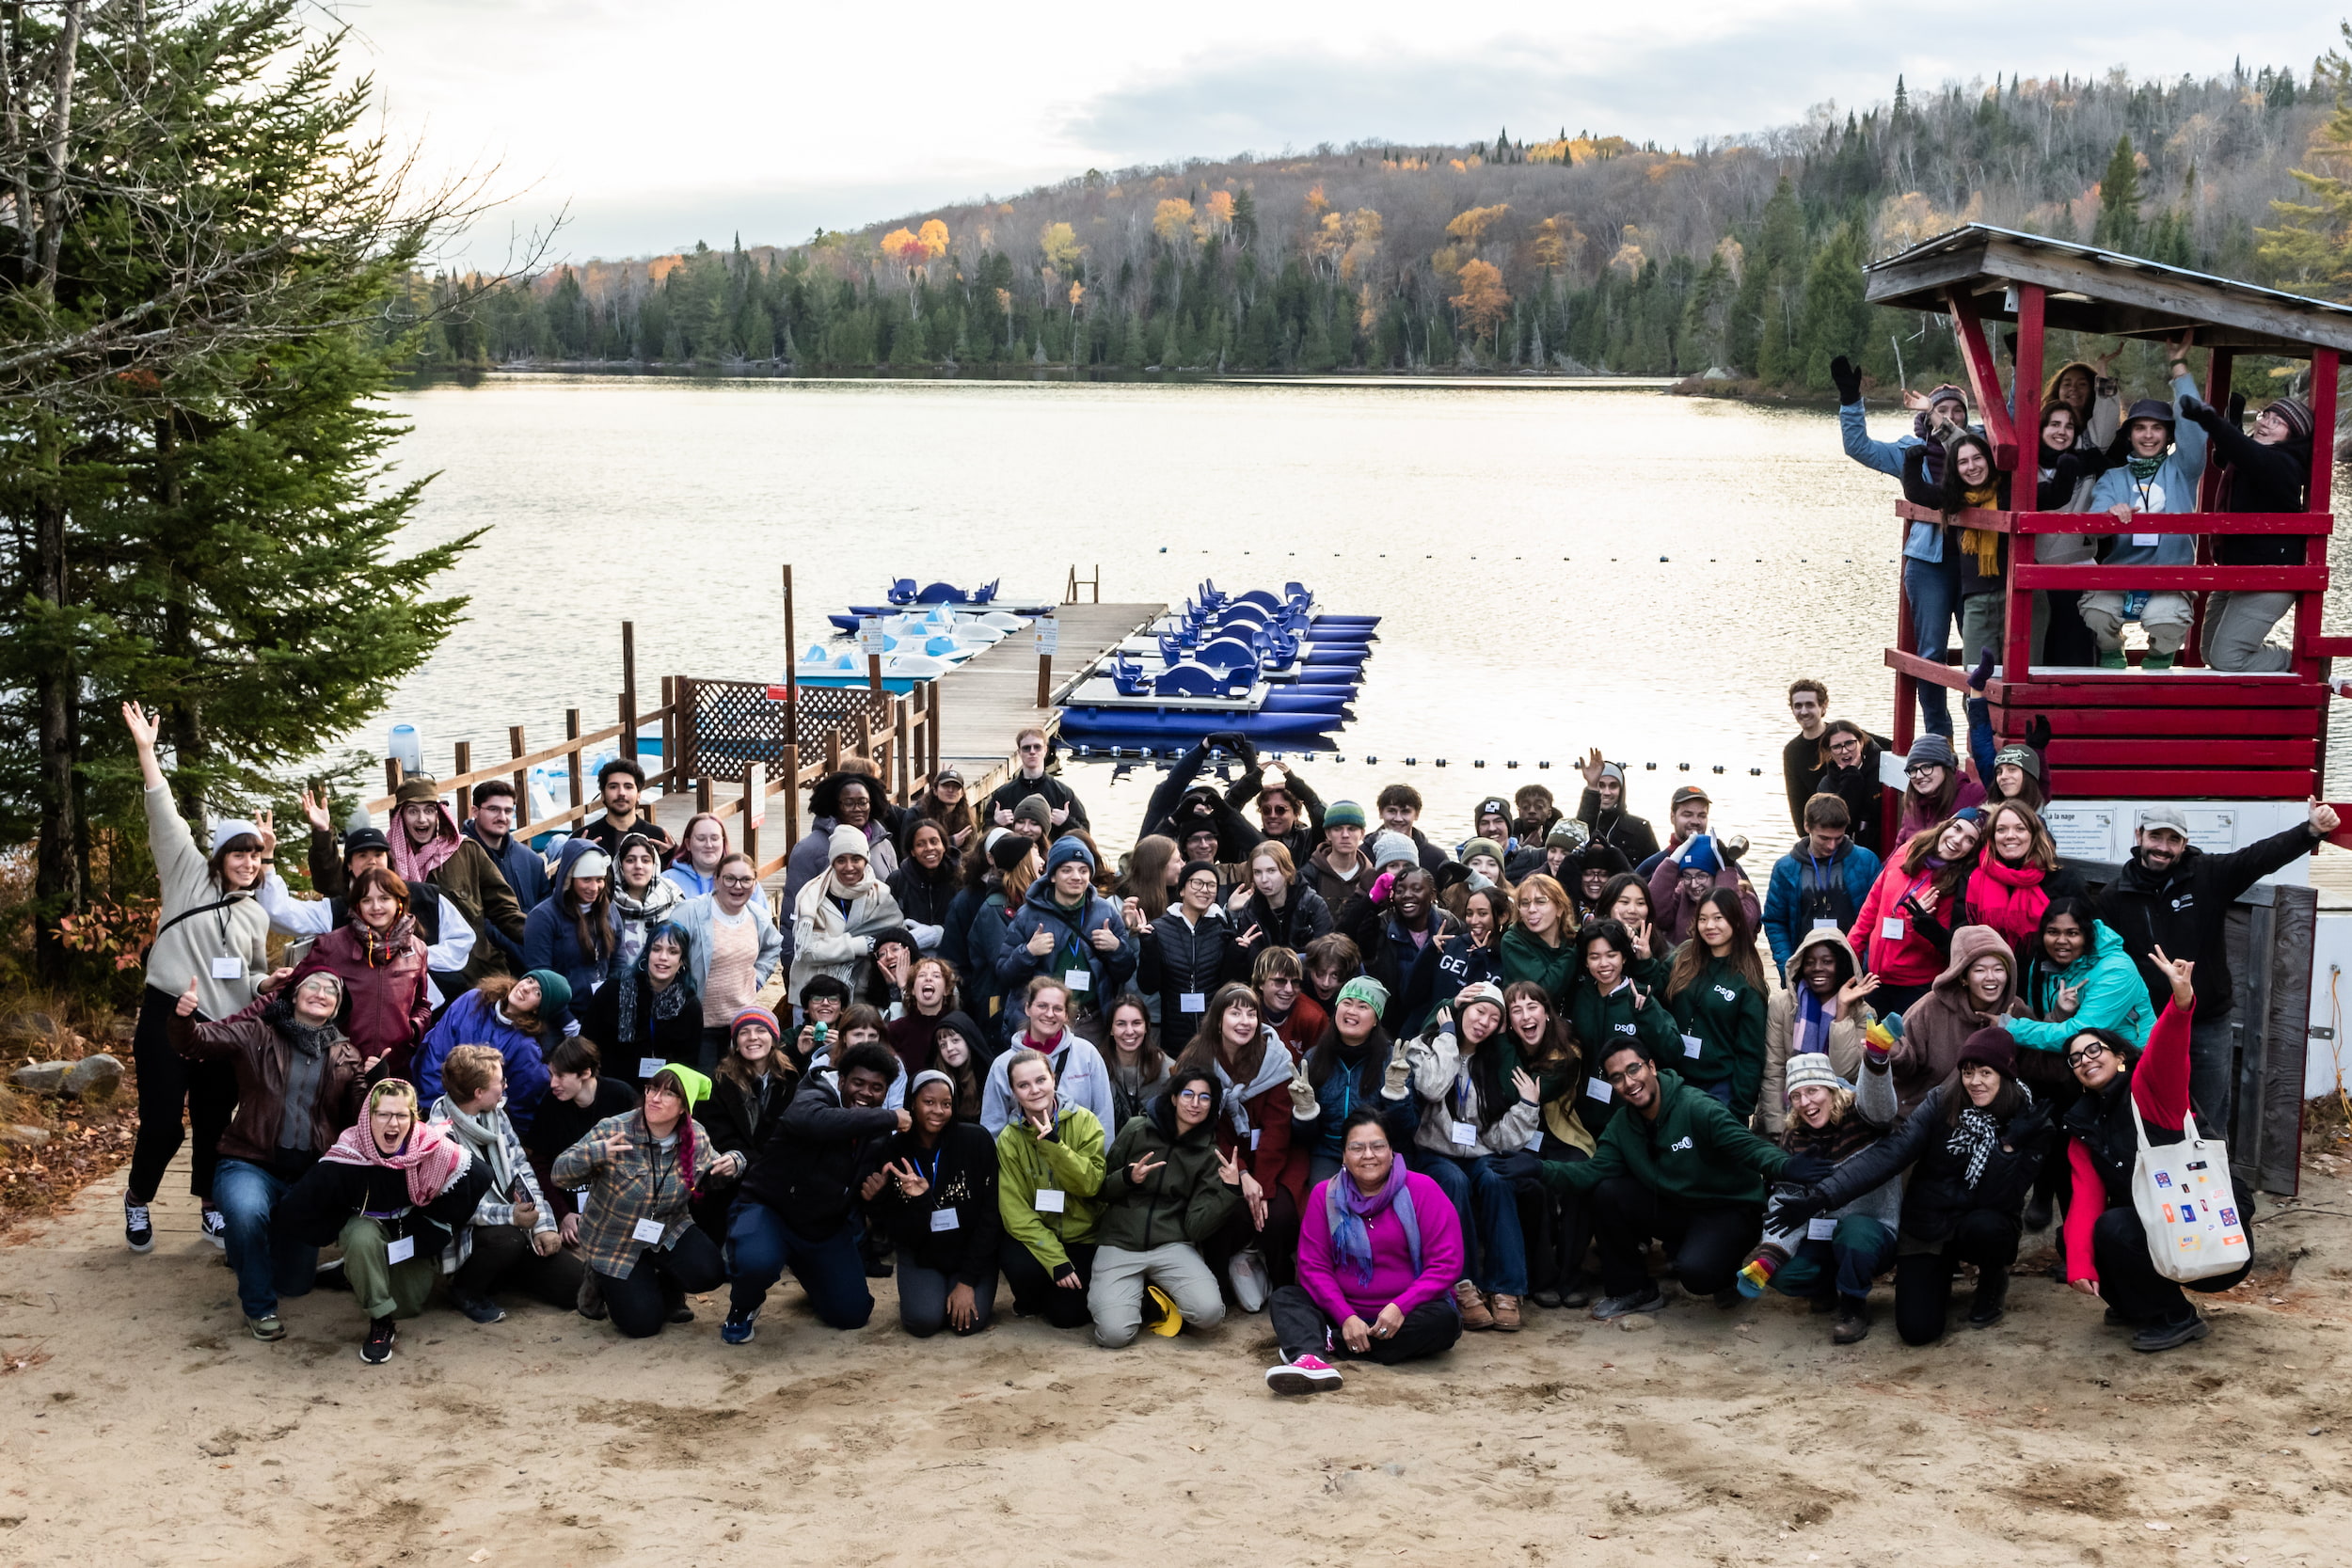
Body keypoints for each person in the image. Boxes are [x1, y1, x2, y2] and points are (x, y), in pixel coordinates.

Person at [1779, 1025, 2052, 1342]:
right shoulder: (1942, 1100)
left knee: (1988, 1227)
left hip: (1983, 1219)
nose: (1974, 1082)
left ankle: (1992, 1281)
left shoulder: (2032, 1122)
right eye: (1967, 1072)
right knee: (1917, 1331)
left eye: (1986, 1073)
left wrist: (2007, 1148)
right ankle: (1939, 1271)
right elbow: (1892, 1153)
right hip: (1929, 1220)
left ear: (2005, 1073)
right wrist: (1824, 1195)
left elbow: (2002, 1197)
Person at [119, 700, 272, 1255]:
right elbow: (164, 812)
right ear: (218, 855)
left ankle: (210, 1206)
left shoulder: (255, 912)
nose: (248, 861)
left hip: (220, 1028)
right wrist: (146, 751)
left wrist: (265, 985)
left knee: (214, 1121)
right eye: (239, 852)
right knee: (163, 1125)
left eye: (256, 855)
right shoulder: (186, 874)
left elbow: (251, 972)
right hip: (167, 1013)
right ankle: (138, 1199)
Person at [1544, 1038, 1825, 1320]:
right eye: (1617, 1078)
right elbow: (1591, 1173)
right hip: (1678, 1207)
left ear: (1651, 1067)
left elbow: (1748, 1146)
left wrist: (1785, 1165)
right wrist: (1538, 1170)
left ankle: (1723, 1273)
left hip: (1728, 1209)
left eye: (1634, 1070)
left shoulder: (1696, 1107)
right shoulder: (1622, 1125)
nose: (1629, 1082)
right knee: (1606, 1191)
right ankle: (1633, 1290)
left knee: (1698, 1275)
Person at [2059, 950, 2253, 1351]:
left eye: (2094, 1050)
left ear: (2121, 1057)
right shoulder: (2083, 1126)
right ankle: (2138, 1304)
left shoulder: (2149, 1092)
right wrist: (2078, 1263)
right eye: (2075, 1058)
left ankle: (2176, 1315)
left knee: (2113, 1229)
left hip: (2211, 1239)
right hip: (2162, 1233)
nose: (2084, 1059)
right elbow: (2085, 1200)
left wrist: (2181, 1002)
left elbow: (2167, 1053)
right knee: (2079, 1236)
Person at [2105, 800, 2335, 1130]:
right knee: (2150, 1112)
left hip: (2206, 1022)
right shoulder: (2115, 895)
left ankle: (2212, 1178)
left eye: (2173, 840)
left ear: (2184, 844)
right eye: (2156, 837)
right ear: (2139, 835)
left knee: (2210, 1118)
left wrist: (2311, 831)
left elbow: (2259, 858)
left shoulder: (2208, 875)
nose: (2163, 848)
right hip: (2149, 1024)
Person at [168, 970, 369, 1338]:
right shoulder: (257, 1032)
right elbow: (196, 1043)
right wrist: (183, 1018)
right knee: (246, 1213)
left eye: (331, 991)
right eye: (313, 985)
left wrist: (372, 1079)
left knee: (294, 1284)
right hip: (248, 1161)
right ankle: (259, 1308)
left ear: (337, 1007)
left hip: (307, 1177)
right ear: (294, 995)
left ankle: (253, 1247)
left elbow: (358, 1120)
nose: (321, 993)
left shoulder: (347, 1055)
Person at [276, 1079, 492, 1364]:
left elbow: (480, 1176)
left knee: (408, 1306)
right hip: (368, 1231)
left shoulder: (431, 1148)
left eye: (402, 1115)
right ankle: (380, 1320)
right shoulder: (348, 1156)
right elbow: (293, 1210)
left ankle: (352, 1273)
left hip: (411, 1232)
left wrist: (437, 1224)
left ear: (413, 1119)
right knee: (360, 1237)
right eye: (383, 1114)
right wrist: (339, 1226)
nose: (393, 1123)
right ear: (368, 1117)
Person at [1264, 1107, 1464, 1392]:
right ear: (1344, 1155)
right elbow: (1313, 1267)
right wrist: (1345, 1316)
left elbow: (1447, 1263)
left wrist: (1400, 1306)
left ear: (1391, 1150)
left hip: (1406, 1313)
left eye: (1377, 1146)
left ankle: (1326, 1345)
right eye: (1357, 1148)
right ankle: (1314, 1356)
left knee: (1444, 1323)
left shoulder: (1423, 1189)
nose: (1368, 1155)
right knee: (1285, 1298)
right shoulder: (1325, 1194)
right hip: (1343, 1310)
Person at [1832, 358, 1977, 738]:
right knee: (1930, 654)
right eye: (1940, 409)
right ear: (1926, 417)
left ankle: (1983, 728)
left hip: (1976, 562)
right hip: (1929, 563)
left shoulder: (1977, 452)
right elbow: (1859, 447)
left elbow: (2011, 425)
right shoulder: (1909, 450)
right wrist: (1850, 400)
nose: (1948, 416)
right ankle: (1938, 738)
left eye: (1956, 411)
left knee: (1980, 653)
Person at [722, 1040, 903, 1342]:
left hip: (823, 1226)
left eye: (877, 1088)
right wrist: (892, 1117)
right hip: (770, 1212)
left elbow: (868, 1195)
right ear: (842, 1080)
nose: (866, 1093)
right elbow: (813, 1121)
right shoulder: (812, 1095)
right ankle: (743, 1306)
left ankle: (815, 1277)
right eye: (858, 1083)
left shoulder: (877, 1128)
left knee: (853, 1315)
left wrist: (876, 1196)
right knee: (758, 1262)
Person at [1393, 981, 1540, 1332]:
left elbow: (1496, 1135)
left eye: (1493, 1018)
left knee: (1496, 1177)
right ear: (1461, 1011)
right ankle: (1461, 1283)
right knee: (1452, 1180)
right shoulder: (1425, 1046)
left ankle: (1506, 1288)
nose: (1484, 1022)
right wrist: (1446, 1036)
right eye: (1479, 1011)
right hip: (1433, 1151)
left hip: (1478, 1153)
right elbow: (1432, 1088)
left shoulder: (1492, 1062)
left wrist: (1528, 1107)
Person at [550, 1065, 736, 1338]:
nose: (655, 1098)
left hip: (665, 1228)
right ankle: (599, 1278)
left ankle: (665, 1287)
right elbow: (559, 1174)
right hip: (614, 1240)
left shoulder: (695, 1135)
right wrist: (595, 1153)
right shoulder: (615, 1128)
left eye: (668, 1094)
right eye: (652, 1088)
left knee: (709, 1272)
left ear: (685, 1106)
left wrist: (734, 1163)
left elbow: (712, 1173)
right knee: (643, 1325)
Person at [1737, 1043, 1901, 1342]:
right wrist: (1766, 1259)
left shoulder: (1862, 1115)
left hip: (1871, 1230)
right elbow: (1786, 1204)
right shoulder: (1794, 1135)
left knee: (1854, 1233)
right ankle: (1825, 1290)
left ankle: (1853, 1307)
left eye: (1812, 1091)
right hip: (1822, 1233)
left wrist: (1876, 1059)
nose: (1804, 1102)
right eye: (1796, 1095)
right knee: (1785, 1273)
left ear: (1831, 1089)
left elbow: (1882, 1107)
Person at [1089, 1068, 1243, 1347]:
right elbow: (1100, 1189)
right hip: (1120, 1242)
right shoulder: (1137, 1128)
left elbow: (1197, 1227)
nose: (1195, 1103)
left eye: (1205, 1098)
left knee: (1209, 1315)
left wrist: (1230, 1192)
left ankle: (1159, 1293)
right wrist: (1128, 1178)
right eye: (1188, 1094)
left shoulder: (1209, 1154)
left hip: (1171, 1244)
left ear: (1212, 1106)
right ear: (1174, 1098)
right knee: (1113, 1336)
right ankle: (1146, 1299)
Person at [430, 1045, 582, 1323]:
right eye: (500, 1081)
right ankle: (465, 1290)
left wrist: (544, 1225)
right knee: (507, 1240)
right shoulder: (440, 1137)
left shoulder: (497, 1115)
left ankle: (505, 1273)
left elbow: (522, 1171)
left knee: (577, 1289)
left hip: (518, 1226)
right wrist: (510, 1216)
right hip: (473, 1236)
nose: (505, 1085)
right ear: (478, 1093)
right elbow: (457, 1210)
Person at [1172, 982, 1303, 1304]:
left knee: (1278, 1215)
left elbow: (1277, 1129)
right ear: (1219, 1019)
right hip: (1220, 1157)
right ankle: (1219, 1287)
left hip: (1277, 1159)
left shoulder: (1275, 1059)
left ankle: (1283, 1284)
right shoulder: (1197, 1059)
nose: (1244, 1021)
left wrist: (1263, 1187)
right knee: (1226, 1214)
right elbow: (1205, 1129)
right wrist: (1242, 1175)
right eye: (1235, 1013)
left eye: (1252, 1013)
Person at [2082, 340, 2207, 670]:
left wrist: (2179, 368)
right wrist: (2110, 514)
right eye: (2140, 428)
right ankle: (2112, 649)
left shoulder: (2183, 469)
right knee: (2096, 611)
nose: (2149, 436)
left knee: (2166, 619)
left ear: (2168, 435)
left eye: (2157, 428)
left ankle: (2160, 655)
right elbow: (2097, 512)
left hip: (2170, 578)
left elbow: (2195, 429)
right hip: (2121, 575)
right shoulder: (2113, 478)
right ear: (2131, 434)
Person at [286, 801, 473, 1005]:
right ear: (349, 864)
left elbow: (462, 940)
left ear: (388, 859)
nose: (372, 861)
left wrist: (417, 957)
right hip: (367, 1009)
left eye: (378, 855)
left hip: (435, 1007)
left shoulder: (426, 895)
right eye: (362, 856)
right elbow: (286, 912)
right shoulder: (338, 907)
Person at [861, 1069, 1002, 1336]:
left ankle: (957, 1286)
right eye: (929, 1102)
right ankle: (932, 1291)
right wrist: (914, 1202)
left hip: (971, 1252)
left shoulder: (976, 1141)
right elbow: (897, 1229)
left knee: (966, 1324)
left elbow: (991, 1215)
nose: (938, 1110)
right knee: (923, 1322)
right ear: (912, 1102)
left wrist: (967, 1282)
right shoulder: (893, 1149)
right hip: (921, 1254)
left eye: (946, 1104)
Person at [2187, 393, 2315, 672]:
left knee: (2227, 658)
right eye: (2265, 416)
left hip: (2269, 577)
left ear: (2292, 435)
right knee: (2209, 653)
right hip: (2235, 570)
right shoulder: (2253, 460)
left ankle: (2300, 662)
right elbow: (2230, 455)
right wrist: (2231, 423)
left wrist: (2211, 421)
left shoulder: (2284, 465)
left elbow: (2247, 454)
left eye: (2278, 421)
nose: (2266, 424)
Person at [993, 1047, 1108, 1327]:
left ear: (1054, 1079)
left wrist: (1055, 1148)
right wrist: (1055, 1259)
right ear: (1013, 1091)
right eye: (1023, 1085)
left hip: (1082, 1236)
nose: (1034, 1090)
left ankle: (1056, 1295)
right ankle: (1033, 1298)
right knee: (1016, 1261)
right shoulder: (1009, 1139)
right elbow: (1014, 1211)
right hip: (1038, 1236)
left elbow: (1091, 1185)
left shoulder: (1085, 1123)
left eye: (1040, 1080)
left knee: (1067, 1317)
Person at [288, 867, 433, 1079]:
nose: (376, 907)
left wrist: (410, 1031)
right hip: (338, 1068)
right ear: (357, 905)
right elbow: (291, 992)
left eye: (384, 898)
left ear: (399, 902)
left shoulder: (417, 949)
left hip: (395, 1067)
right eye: (366, 900)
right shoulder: (332, 946)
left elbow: (422, 1005)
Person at [522, 1037, 637, 1303]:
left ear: (585, 1072)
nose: (552, 1084)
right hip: (572, 1218)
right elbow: (539, 1166)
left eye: (560, 1076)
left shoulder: (621, 1097)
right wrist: (562, 1215)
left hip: (617, 1212)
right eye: (551, 1075)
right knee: (573, 1282)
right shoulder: (550, 1106)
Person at [384, 775, 528, 985]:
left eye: (429, 811)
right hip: (415, 975)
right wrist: (324, 835)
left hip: (476, 972)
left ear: (439, 814)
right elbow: (339, 888)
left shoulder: (467, 851)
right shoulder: (386, 861)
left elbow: (504, 910)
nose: (422, 819)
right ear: (401, 817)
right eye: (413, 811)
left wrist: (542, 934)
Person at [1502, 981, 1595, 1307]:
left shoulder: (1567, 1047)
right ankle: (1542, 1277)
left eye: (1532, 1007)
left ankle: (1571, 1275)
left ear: (1546, 1011)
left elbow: (1544, 1087)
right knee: (1529, 1187)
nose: (1526, 1017)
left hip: (1563, 1134)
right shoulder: (1504, 1046)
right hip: (1521, 1138)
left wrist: (1518, 1081)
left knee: (1577, 1178)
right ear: (1508, 1021)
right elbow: (1504, 1088)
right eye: (1516, 1010)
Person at [1001, 835, 1136, 1042]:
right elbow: (1005, 975)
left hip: (1091, 1020)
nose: (1076, 877)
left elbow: (1125, 972)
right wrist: (1028, 952)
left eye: (1083, 871)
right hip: (1042, 1020)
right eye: (1067, 870)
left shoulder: (1105, 912)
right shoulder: (1028, 915)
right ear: (1052, 876)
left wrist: (1116, 948)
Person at [1901, 430, 2010, 679]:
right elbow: (1918, 493)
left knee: (2020, 674)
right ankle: (1979, 720)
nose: (1972, 467)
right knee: (1976, 679)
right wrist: (1913, 461)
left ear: (1989, 460)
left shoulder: (2009, 492)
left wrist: (2068, 467)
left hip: (2016, 597)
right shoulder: (1957, 497)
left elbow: (2054, 494)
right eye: (1963, 461)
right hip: (1977, 600)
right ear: (1955, 468)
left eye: (1977, 458)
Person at [1851, 814, 1982, 1017]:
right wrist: (1851, 954)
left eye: (1969, 840)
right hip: (1874, 976)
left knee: (1903, 1047)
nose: (1958, 840)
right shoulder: (1907, 850)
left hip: (1915, 987)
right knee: (1867, 1043)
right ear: (1946, 826)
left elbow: (1942, 950)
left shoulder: (1957, 884)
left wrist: (1915, 922)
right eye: (1957, 829)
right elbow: (1872, 906)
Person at [1760, 927, 1879, 1135]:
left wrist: (1842, 1014)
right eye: (1809, 962)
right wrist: (1779, 1132)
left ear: (1841, 965)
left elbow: (1842, 1074)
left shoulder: (1863, 1013)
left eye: (1827, 961)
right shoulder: (1783, 1005)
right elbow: (1774, 1071)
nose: (1817, 968)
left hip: (1838, 1120)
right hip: (1789, 1114)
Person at [1893, 925, 2020, 1117]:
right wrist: (1895, 1053)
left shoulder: (2016, 1011)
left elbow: (2041, 1065)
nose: (1991, 978)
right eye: (1980, 970)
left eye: (1999, 969)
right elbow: (1905, 1070)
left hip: (1991, 1119)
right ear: (1963, 977)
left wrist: (2059, 1014)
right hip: (1924, 1116)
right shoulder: (1929, 1008)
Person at [1663, 890, 1769, 1114]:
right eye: (1703, 919)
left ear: (1736, 922)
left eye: (1718, 918)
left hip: (1719, 1087)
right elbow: (1654, 986)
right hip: (1675, 1077)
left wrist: (1740, 1107)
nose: (1709, 925)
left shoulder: (1747, 983)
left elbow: (1750, 1053)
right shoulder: (1684, 956)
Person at [675, 851, 785, 1067]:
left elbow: (773, 947)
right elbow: (665, 951)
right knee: (704, 1089)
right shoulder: (690, 912)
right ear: (716, 879)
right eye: (730, 878)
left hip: (740, 1024)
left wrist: (758, 978)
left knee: (735, 1088)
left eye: (746, 880)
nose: (738, 886)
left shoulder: (757, 916)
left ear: (755, 882)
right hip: (699, 1023)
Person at [415, 971, 561, 1131]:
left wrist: (461, 1124)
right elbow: (435, 1051)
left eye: (537, 992)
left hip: (470, 1126)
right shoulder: (473, 1000)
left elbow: (520, 1104)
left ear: (538, 1010)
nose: (527, 988)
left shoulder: (526, 1049)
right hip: (426, 1102)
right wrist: (436, 1107)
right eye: (530, 980)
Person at [693, 1006, 796, 1234]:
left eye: (761, 1030)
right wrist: (737, 1160)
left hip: (777, 1179)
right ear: (735, 1042)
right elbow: (716, 1136)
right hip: (731, 1179)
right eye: (744, 1032)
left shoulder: (792, 1080)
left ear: (774, 1038)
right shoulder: (717, 1083)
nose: (752, 1038)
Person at [1566, 919, 1679, 1117]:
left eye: (1612, 955)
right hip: (1584, 1108)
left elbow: (1673, 1050)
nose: (1604, 964)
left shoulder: (1640, 996)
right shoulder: (1580, 995)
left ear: (1624, 958)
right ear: (1585, 961)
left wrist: (1646, 1014)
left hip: (1631, 1110)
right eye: (1594, 957)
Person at [1338, 857, 1460, 1037]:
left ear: (1433, 894)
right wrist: (1369, 956)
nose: (1407, 895)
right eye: (1400, 891)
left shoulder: (1451, 925)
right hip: (1392, 1022)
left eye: (1416, 889)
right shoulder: (1382, 925)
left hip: (1437, 1020)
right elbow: (1340, 936)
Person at [978, 977, 1118, 1135]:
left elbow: (1103, 1116)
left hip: (1080, 1156)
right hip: (1022, 1157)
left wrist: (1101, 1158)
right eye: (1042, 1006)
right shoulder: (1002, 1064)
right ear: (1028, 1008)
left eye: (1057, 1008)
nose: (1050, 1014)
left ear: (1066, 1015)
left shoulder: (1087, 1054)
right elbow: (993, 1128)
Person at [787, 823, 906, 1009]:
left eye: (856, 859)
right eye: (841, 860)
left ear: (866, 859)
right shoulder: (812, 897)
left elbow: (899, 938)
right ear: (832, 862)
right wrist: (861, 944)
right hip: (814, 1000)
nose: (849, 867)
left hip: (862, 998)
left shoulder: (881, 896)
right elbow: (808, 950)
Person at [1763, 794, 1882, 977]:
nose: (1832, 845)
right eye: (1824, 838)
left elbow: (1876, 917)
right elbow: (1775, 921)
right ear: (1807, 827)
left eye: (1839, 838)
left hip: (1853, 965)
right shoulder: (1785, 868)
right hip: (1805, 966)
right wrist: (1787, 967)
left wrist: (1865, 964)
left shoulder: (1866, 861)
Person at [577, 921, 701, 1091]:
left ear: (682, 961)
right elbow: (587, 1043)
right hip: (611, 1087)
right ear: (647, 953)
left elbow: (688, 1064)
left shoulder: (689, 1005)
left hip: (662, 1092)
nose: (663, 957)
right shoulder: (613, 989)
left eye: (673, 952)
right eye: (656, 949)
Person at [1133, 855, 1244, 1040]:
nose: (1204, 890)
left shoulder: (1222, 928)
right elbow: (1148, 986)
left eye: (1211, 885)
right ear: (1182, 890)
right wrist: (1148, 946)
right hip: (1174, 1032)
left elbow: (1231, 984)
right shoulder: (1159, 928)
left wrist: (1237, 953)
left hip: (1214, 1031)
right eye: (1197, 883)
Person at [1957, 801, 2082, 959]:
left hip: (2046, 975)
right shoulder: (1972, 876)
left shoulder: (2064, 878)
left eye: (2020, 829)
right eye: (2001, 829)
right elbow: (1960, 935)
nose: (2010, 835)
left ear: (2034, 834)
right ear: (1992, 836)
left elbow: (2084, 935)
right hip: (1990, 974)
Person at [786, 771, 902, 923]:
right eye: (848, 803)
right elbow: (792, 910)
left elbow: (895, 895)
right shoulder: (808, 849)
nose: (857, 808)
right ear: (835, 805)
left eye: (863, 802)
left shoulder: (883, 844)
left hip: (880, 938)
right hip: (828, 940)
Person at [521, 840, 618, 1004]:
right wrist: (567, 1022)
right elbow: (541, 976)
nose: (594, 888)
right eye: (586, 880)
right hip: (560, 1013)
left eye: (599, 879)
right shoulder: (542, 917)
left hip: (602, 1008)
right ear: (569, 879)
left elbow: (618, 961)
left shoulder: (609, 909)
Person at [1645, 833, 1761, 951]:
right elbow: (1657, 914)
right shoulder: (1681, 895)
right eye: (1687, 876)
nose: (1694, 884)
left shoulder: (1747, 898)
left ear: (1716, 875)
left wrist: (1726, 871)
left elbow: (1735, 923)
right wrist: (1671, 863)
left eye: (1701, 876)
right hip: (1682, 967)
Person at [1230, 840, 1333, 958]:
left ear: (1287, 871)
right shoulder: (1250, 910)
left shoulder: (1313, 904)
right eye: (1257, 872)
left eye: (1271, 871)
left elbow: (1325, 956)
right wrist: (1232, 913)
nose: (1264, 879)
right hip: (1264, 975)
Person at [464, 779, 552, 914]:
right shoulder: (459, 858)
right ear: (475, 811)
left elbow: (546, 906)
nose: (502, 817)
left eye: (508, 811)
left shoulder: (531, 860)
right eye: (494, 809)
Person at [985, 727, 1089, 834]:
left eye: (1037, 747)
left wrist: (1066, 822)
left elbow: (1085, 834)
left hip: (1051, 850)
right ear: (1019, 752)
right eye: (1026, 748)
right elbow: (984, 835)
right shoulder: (1003, 794)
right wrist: (996, 823)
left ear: (1045, 750)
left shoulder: (1063, 793)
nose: (1032, 752)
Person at [609, 831, 682, 974]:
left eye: (646, 860)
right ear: (620, 865)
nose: (638, 866)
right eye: (630, 860)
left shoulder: (673, 897)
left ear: (654, 864)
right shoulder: (607, 902)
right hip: (620, 985)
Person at [1497, 873, 1575, 1005]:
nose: (1531, 909)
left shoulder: (1572, 940)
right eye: (1525, 903)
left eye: (1540, 901)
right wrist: (1574, 952)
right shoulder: (1513, 940)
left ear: (1560, 908)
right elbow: (1543, 992)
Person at [578, 757, 674, 862]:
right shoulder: (585, 839)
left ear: (638, 794)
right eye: (613, 787)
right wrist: (574, 857)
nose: (621, 793)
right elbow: (561, 876)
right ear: (603, 794)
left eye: (628, 787)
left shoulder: (657, 837)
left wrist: (673, 855)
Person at [887, 817, 961, 951]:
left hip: (952, 955)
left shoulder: (960, 879)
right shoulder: (897, 880)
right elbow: (887, 926)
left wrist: (939, 933)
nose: (929, 848)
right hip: (909, 955)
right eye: (920, 844)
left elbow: (968, 925)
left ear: (944, 846)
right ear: (912, 851)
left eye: (934, 842)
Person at [1575, 752, 1660, 866]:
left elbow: (1653, 870)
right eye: (1601, 785)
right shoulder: (1583, 824)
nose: (1606, 792)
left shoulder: (1640, 828)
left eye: (1613, 786)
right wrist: (1592, 787)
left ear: (1621, 790)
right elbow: (1579, 833)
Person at [1814, 721, 1886, 853]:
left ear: (1861, 742)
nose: (1845, 751)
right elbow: (1838, 824)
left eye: (1849, 743)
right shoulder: (1827, 784)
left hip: (1882, 848)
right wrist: (1851, 778)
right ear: (1830, 751)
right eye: (1836, 747)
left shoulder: (1883, 770)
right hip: (1845, 851)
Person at [1894, 736, 1984, 843]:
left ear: (1946, 767)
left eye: (1926, 767)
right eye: (1912, 770)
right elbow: (1900, 846)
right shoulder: (1913, 803)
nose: (1918, 775)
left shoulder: (1975, 795)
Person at [1103, 991, 1171, 1130]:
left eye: (1136, 1023)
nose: (1129, 1031)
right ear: (1111, 1029)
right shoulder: (1096, 1067)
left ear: (1147, 1027)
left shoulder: (1168, 1069)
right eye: (1121, 1024)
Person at [1256, 944, 1328, 1062]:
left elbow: (1321, 1067)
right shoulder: (1247, 1011)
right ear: (1261, 983)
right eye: (1280, 981)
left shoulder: (1313, 1018)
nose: (1289, 990)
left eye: (1295, 982)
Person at [1435, 885, 1509, 994]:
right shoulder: (1449, 944)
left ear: (1502, 917)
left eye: (1482, 914)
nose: (1474, 921)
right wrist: (1429, 949)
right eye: (1469, 914)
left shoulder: (1506, 959)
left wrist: (1478, 959)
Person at [1304, 800, 1375, 912]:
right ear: (1328, 834)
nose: (1345, 835)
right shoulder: (1310, 874)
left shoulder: (1371, 876)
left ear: (1362, 834)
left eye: (1352, 829)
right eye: (1337, 829)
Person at [1782, 679, 1832, 832]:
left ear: (1823, 707)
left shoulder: (1842, 735)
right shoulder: (1792, 751)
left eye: (1810, 705)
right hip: (1817, 830)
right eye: (1798, 706)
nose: (1803, 711)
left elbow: (1886, 747)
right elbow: (1796, 800)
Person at [1374, 783, 1448, 875]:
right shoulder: (1363, 855)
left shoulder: (1436, 858)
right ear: (1381, 813)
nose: (1398, 818)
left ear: (1416, 814)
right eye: (1392, 811)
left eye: (1405, 812)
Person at [662, 812, 731, 899]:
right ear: (688, 844)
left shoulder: (741, 878)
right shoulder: (667, 881)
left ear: (723, 842)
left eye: (715, 838)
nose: (709, 845)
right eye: (701, 839)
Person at [910, 764, 978, 851]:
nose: (950, 790)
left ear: (961, 794)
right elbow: (912, 849)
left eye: (956, 787)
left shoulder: (967, 822)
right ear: (935, 790)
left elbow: (970, 855)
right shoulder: (918, 814)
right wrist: (951, 842)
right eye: (945, 786)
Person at [1564, 841, 1630, 925]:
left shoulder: (1622, 912)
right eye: (1588, 874)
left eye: (1603, 874)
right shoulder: (1564, 911)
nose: (1595, 879)